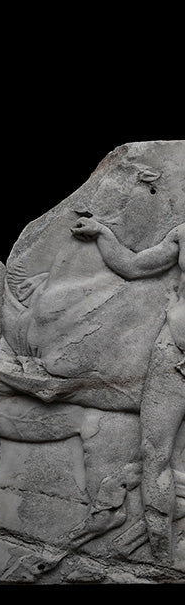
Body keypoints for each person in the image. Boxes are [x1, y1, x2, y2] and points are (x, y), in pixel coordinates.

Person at [71, 212, 185, 565]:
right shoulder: (182, 234)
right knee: (154, 453)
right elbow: (133, 266)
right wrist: (103, 233)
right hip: (176, 352)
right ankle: (161, 557)